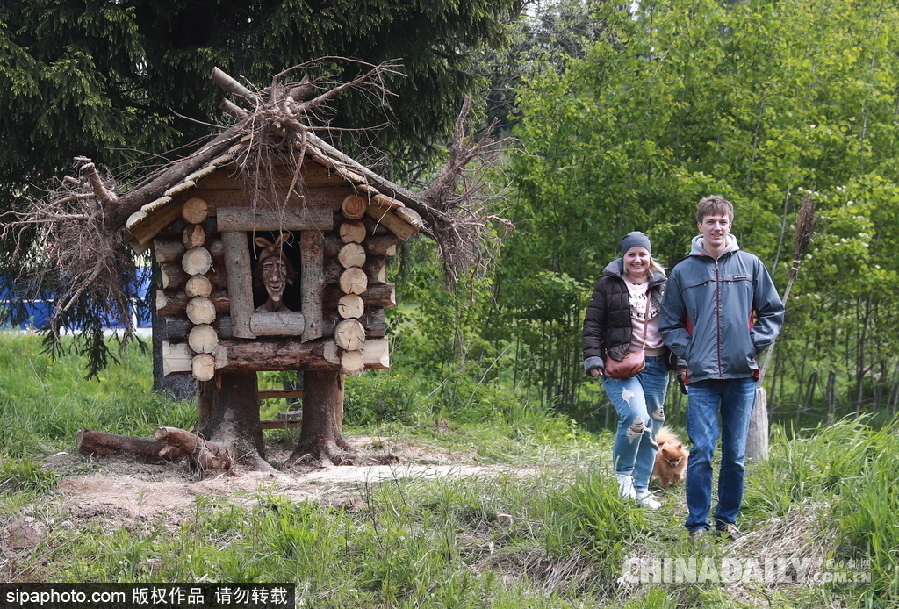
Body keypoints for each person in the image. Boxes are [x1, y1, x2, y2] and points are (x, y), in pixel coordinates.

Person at [659, 195, 784, 542]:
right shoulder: (684, 271)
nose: (717, 227)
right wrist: (691, 352)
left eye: (723, 221)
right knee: (700, 451)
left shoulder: (750, 264)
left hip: (741, 373)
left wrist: (751, 343)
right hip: (700, 377)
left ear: (730, 225)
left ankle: (726, 519)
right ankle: (697, 525)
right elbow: (668, 323)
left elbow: (772, 312)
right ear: (700, 226)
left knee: (735, 454)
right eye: (710, 221)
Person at [583, 232, 672, 510]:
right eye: (631, 254)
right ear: (623, 257)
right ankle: (624, 479)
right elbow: (593, 326)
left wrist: (682, 363)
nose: (637, 259)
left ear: (649, 257)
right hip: (620, 364)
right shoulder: (608, 285)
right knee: (636, 417)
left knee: (652, 427)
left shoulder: (665, 287)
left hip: (657, 365)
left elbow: (678, 326)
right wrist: (593, 360)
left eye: (642, 254)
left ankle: (642, 488)